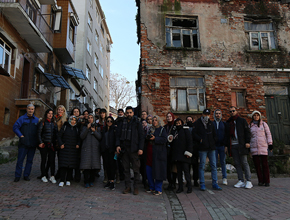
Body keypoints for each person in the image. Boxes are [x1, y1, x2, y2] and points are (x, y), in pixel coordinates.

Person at [116, 106, 145, 195]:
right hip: (124, 149)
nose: (129, 114)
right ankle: (127, 186)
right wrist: (117, 145)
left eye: (130, 112)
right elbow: (117, 135)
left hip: (134, 149)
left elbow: (141, 136)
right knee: (126, 169)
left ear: (133, 113)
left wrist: (140, 148)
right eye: (127, 113)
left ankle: (135, 187)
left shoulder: (137, 123)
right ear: (125, 113)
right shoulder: (122, 123)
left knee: (136, 169)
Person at [192, 109, 222, 191]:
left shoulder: (210, 123)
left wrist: (213, 141)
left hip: (211, 147)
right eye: (205, 114)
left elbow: (214, 134)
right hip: (202, 148)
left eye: (208, 114)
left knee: (214, 165)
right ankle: (202, 183)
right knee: (202, 165)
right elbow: (194, 134)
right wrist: (200, 140)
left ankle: (215, 183)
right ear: (202, 114)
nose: (207, 116)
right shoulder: (197, 123)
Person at [226, 106, 252, 189]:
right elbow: (227, 136)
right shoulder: (228, 122)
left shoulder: (242, 121)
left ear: (236, 111)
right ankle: (241, 180)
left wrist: (247, 142)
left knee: (244, 162)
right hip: (233, 145)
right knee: (237, 163)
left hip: (242, 144)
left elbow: (247, 132)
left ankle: (248, 180)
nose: (232, 112)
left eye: (233, 111)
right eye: (230, 111)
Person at [13, 104, 39, 182]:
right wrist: (21, 136)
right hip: (23, 143)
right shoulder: (21, 119)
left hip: (32, 144)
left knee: (29, 161)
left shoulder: (37, 120)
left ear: (34, 110)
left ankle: (26, 175)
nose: (30, 110)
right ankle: (17, 176)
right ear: (26, 109)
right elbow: (15, 127)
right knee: (20, 160)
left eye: (32, 109)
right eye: (29, 109)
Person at [168, 118, 193, 193]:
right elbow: (171, 142)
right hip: (177, 155)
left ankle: (189, 186)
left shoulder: (186, 131)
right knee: (178, 172)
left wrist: (189, 152)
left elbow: (189, 142)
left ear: (182, 123)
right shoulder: (174, 131)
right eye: (177, 123)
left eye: (179, 123)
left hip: (185, 154)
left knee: (186, 171)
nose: (178, 124)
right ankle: (180, 187)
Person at [249, 110, 273, 187]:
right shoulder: (250, 125)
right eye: (254, 115)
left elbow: (268, 134)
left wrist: (270, 144)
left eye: (257, 115)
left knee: (265, 165)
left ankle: (267, 181)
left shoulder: (264, 124)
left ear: (259, 116)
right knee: (257, 165)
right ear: (252, 117)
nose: (256, 117)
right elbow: (249, 137)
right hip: (254, 147)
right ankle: (260, 180)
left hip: (263, 147)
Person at [145, 116, 167, 195]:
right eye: (153, 120)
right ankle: (151, 187)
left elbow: (165, 139)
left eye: (155, 120)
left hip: (158, 153)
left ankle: (158, 188)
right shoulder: (150, 129)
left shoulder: (162, 129)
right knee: (149, 170)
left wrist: (155, 138)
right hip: (150, 153)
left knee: (158, 170)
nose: (154, 122)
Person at [57, 116, 80, 187]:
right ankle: (62, 179)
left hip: (73, 149)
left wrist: (78, 144)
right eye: (71, 120)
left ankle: (68, 179)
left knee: (71, 165)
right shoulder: (65, 127)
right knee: (63, 165)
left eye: (74, 120)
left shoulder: (77, 129)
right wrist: (61, 144)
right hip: (65, 148)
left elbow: (79, 138)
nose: (73, 121)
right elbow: (59, 136)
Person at [80, 114, 101, 188]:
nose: (90, 119)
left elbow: (100, 137)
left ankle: (92, 180)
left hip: (95, 149)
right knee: (86, 167)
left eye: (92, 118)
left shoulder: (97, 127)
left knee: (93, 167)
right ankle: (86, 181)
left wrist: (94, 131)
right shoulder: (84, 127)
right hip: (86, 149)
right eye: (89, 118)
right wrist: (87, 129)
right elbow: (81, 136)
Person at [37, 109, 57, 183]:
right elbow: (39, 133)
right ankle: (43, 175)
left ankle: (52, 175)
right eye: (49, 113)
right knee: (44, 160)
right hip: (44, 144)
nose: (50, 115)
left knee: (52, 161)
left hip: (51, 145)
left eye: (51, 113)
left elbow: (55, 134)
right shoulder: (42, 122)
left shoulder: (54, 123)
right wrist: (40, 142)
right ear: (46, 114)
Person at [101, 116, 117, 190]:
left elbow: (116, 139)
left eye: (110, 121)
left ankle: (112, 181)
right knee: (106, 166)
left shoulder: (114, 129)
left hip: (112, 150)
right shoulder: (104, 129)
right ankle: (109, 181)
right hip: (105, 150)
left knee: (112, 166)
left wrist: (116, 148)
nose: (109, 122)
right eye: (108, 121)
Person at [213, 109, 227, 185]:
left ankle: (224, 178)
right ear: (214, 115)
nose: (218, 115)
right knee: (214, 163)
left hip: (222, 146)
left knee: (223, 162)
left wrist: (226, 146)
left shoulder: (224, 124)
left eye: (219, 113)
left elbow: (226, 135)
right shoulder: (212, 124)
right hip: (214, 146)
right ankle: (215, 178)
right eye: (216, 113)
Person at [164, 112, 177, 190]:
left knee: (174, 168)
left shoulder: (175, 127)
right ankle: (170, 183)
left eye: (170, 116)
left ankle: (174, 183)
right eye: (167, 116)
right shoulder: (165, 127)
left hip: (174, 149)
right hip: (166, 150)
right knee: (168, 167)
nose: (168, 118)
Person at [185, 116, 199, 187]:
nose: (189, 121)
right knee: (187, 167)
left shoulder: (195, 127)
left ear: (193, 120)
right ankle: (188, 181)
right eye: (188, 120)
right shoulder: (184, 128)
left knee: (195, 167)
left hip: (195, 150)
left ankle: (195, 181)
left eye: (190, 120)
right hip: (187, 150)